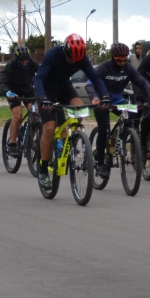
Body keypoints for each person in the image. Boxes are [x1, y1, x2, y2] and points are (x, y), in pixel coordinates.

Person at [33, 34, 109, 187]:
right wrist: (42, 98)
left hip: (63, 88)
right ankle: (42, 170)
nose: (73, 61)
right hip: (46, 91)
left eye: (77, 59)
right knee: (49, 128)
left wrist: (105, 96)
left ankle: (70, 137)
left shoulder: (81, 58)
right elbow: (38, 79)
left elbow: (95, 78)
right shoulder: (53, 54)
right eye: (71, 58)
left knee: (80, 107)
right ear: (65, 52)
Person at [89, 43, 150, 177]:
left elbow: (141, 82)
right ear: (113, 57)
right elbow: (90, 84)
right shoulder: (104, 67)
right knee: (103, 129)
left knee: (132, 118)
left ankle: (129, 143)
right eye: (118, 60)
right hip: (102, 101)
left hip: (118, 100)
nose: (122, 63)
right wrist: (94, 98)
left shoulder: (128, 67)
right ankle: (102, 164)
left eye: (124, 59)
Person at [0, 46, 40, 157]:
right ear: (17, 59)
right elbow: (2, 81)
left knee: (36, 114)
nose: (24, 62)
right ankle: (12, 144)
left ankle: (29, 140)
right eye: (22, 60)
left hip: (28, 91)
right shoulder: (10, 65)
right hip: (14, 93)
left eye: (26, 59)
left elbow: (42, 75)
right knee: (17, 115)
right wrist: (6, 92)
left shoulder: (32, 63)